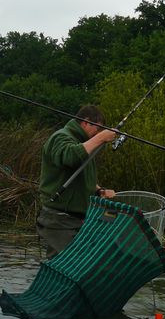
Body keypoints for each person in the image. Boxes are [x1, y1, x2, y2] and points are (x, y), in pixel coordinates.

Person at [36, 105, 116, 258]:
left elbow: (79, 174)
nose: (98, 133)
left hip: (75, 219)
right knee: (64, 263)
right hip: (59, 218)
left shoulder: (83, 143)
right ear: (86, 122)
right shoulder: (61, 137)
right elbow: (70, 158)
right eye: (97, 129)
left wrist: (99, 190)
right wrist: (101, 138)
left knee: (77, 262)